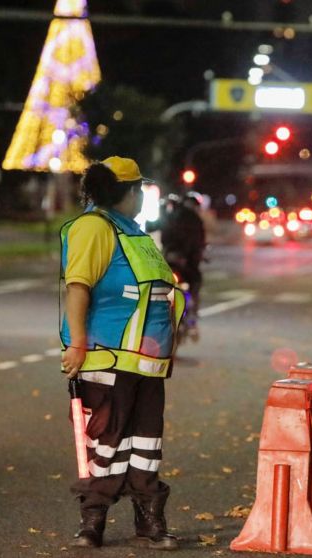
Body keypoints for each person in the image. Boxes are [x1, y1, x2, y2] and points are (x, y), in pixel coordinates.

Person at [60, 157, 185, 550]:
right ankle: (92, 522)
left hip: (144, 361)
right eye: (139, 189)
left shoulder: (133, 232)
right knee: (107, 441)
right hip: (107, 356)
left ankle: (149, 519)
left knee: (146, 441)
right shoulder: (94, 227)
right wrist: (77, 344)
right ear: (129, 192)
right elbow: (78, 286)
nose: (142, 196)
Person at [160, 192, 207, 335]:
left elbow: (163, 235)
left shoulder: (172, 215)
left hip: (169, 259)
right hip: (187, 263)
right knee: (196, 283)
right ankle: (192, 320)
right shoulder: (195, 220)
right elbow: (198, 242)